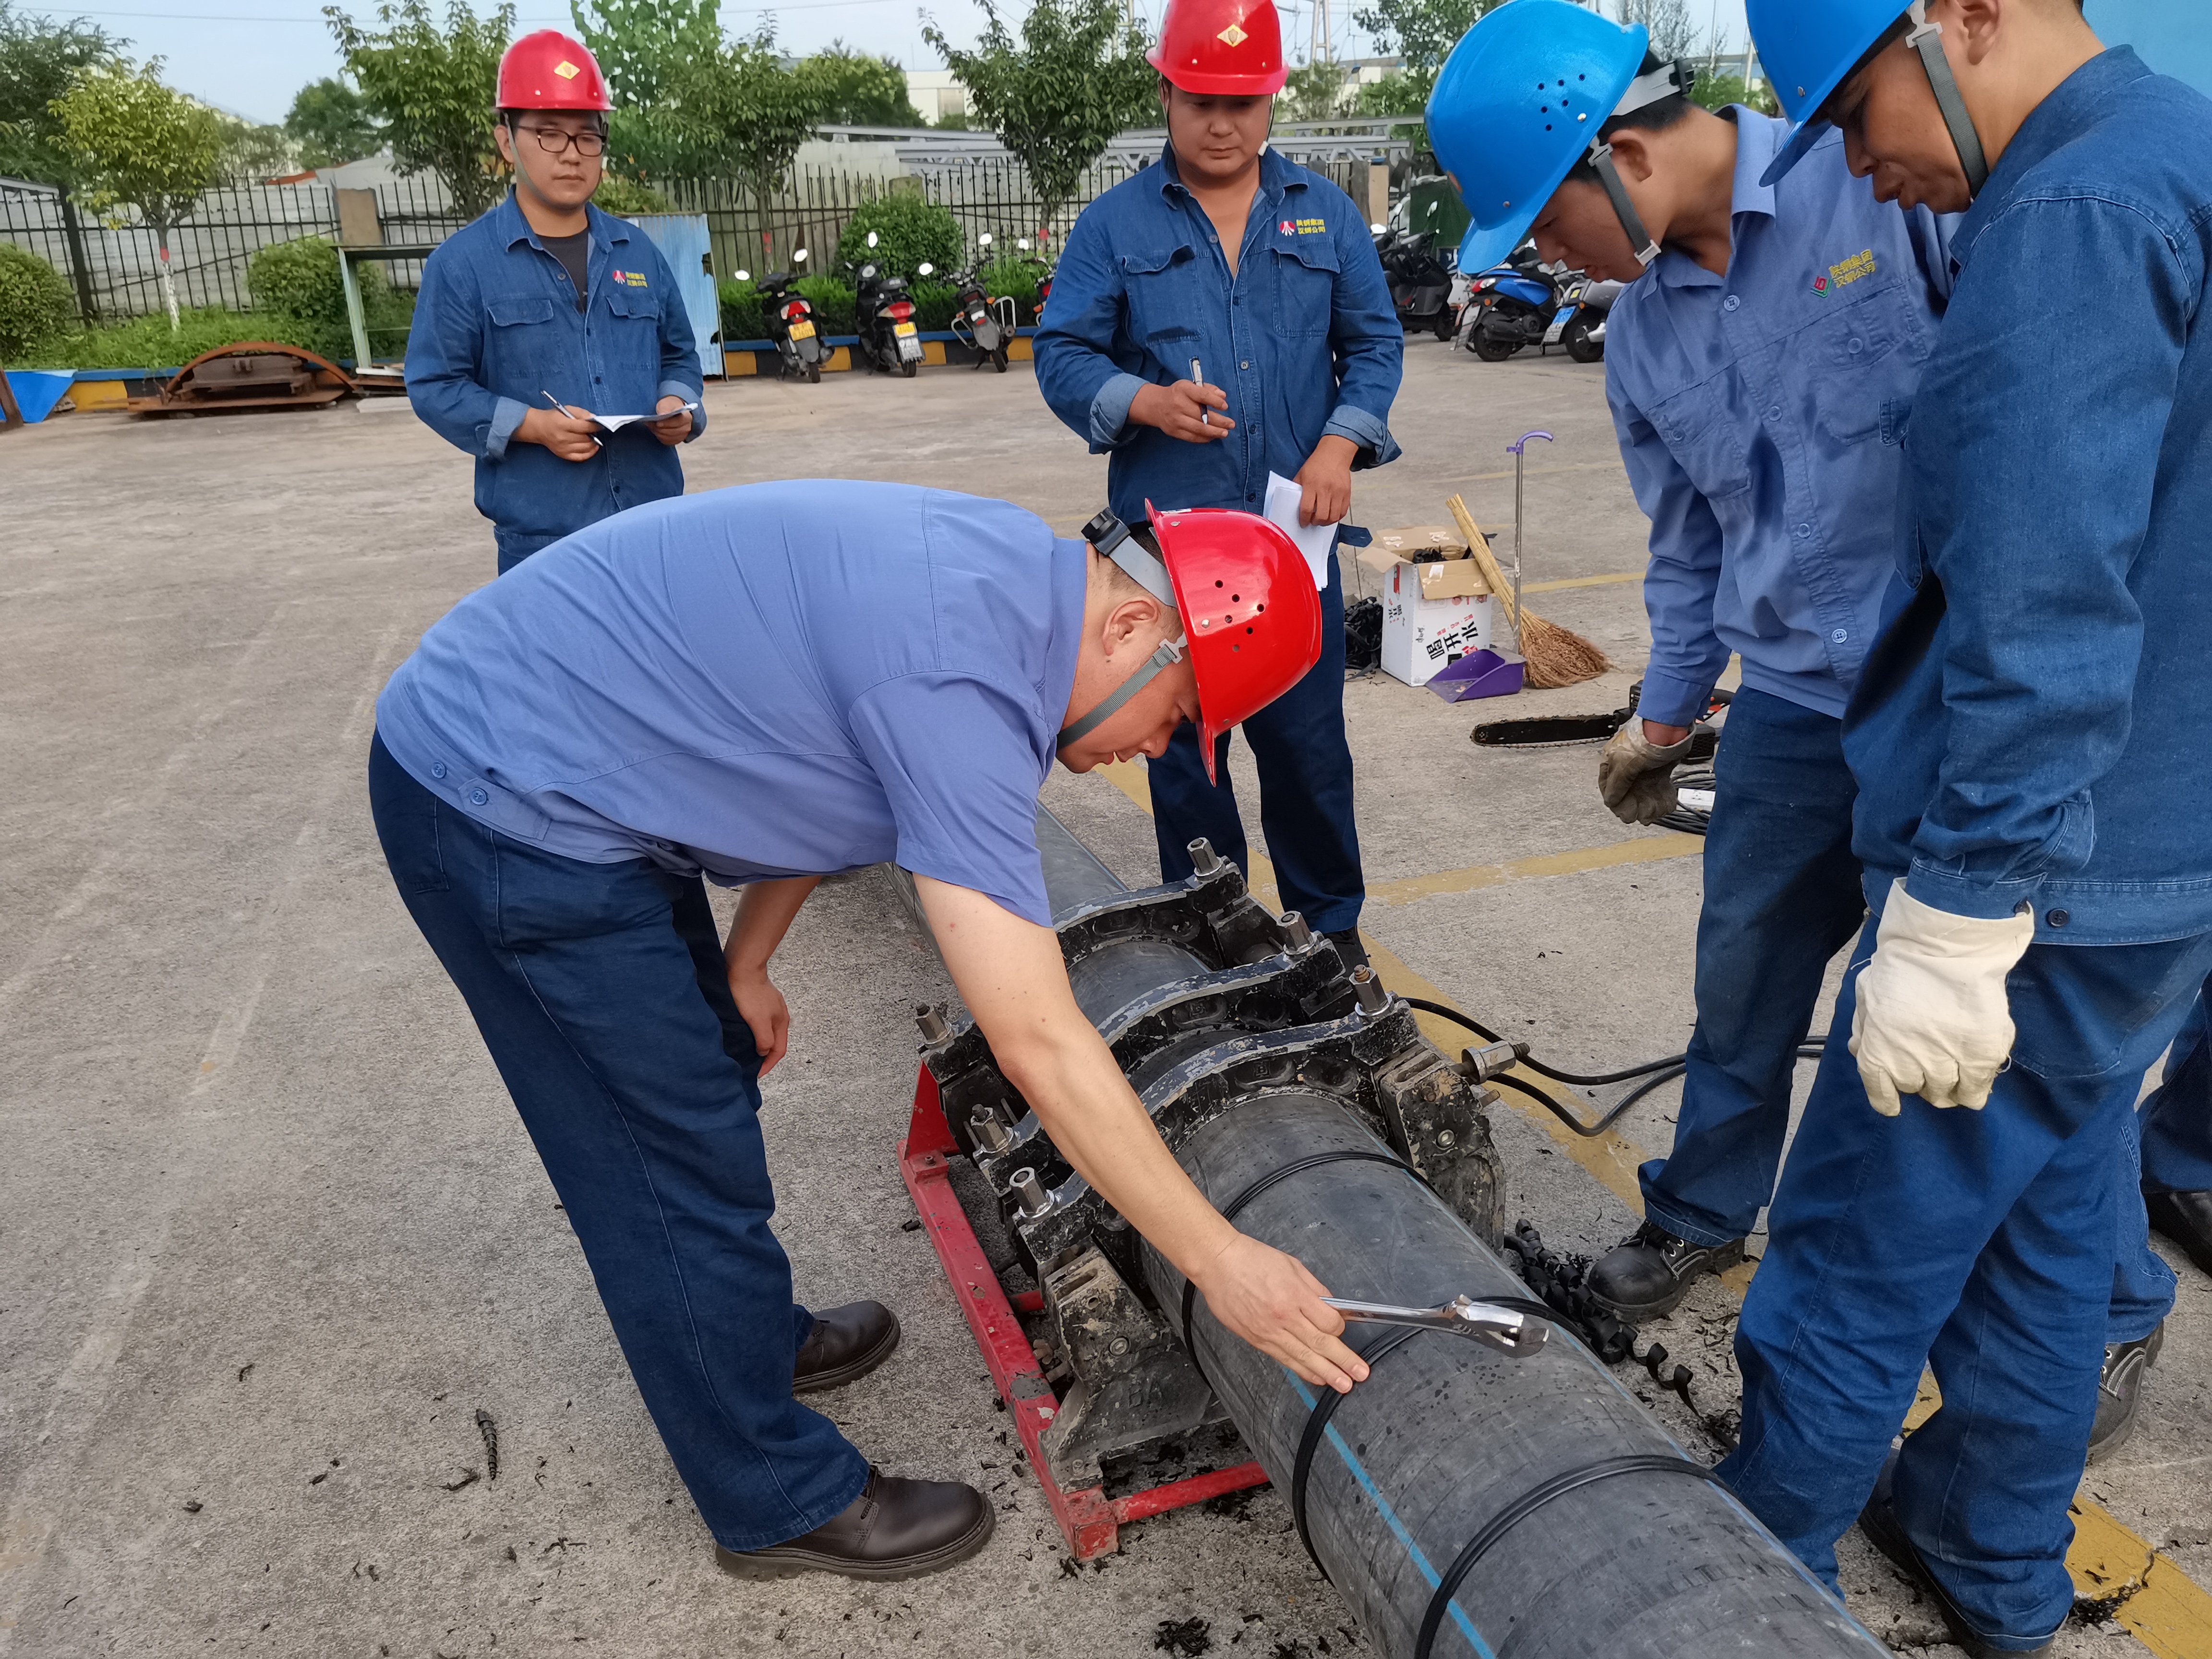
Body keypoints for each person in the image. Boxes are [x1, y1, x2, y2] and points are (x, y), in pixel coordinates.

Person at [366, 480, 1371, 1581]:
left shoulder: (1016, 583)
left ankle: (735, 1338)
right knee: (660, 1155)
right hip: (500, 799)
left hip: (573, 756)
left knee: (702, 1067)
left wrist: (745, 961)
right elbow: (1037, 1038)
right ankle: (771, 1493)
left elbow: (827, 744)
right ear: (1132, 626)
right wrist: (1219, 1258)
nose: (1160, 747)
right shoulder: (961, 678)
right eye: (1176, 716)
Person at [1719, 2, 2212, 1652]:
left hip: (2043, 879)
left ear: (1958, 18)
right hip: (2154, 859)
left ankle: (1743, 1585)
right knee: (2049, 1222)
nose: (1867, 168)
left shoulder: (2067, 213)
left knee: (1857, 1252)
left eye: (1857, 115)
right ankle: (1988, 1552)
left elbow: (2040, 589)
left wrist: (1959, 907)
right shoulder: (2176, 150)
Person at [1427, 0, 1954, 1326]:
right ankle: (1702, 1215)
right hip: (1786, 704)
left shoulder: (1881, 177)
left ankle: (1995, 1282)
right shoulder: (1645, 337)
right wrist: (1658, 725)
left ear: (1622, 153)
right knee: (1744, 979)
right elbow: (1688, 552)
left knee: (1931, 1015)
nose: (1552, 256)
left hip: (1947, 695)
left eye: (1549, 222)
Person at [1034, 0, 1402, 971]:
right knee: (1188, 770)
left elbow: (1373, 346)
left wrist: (1340, 449)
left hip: (1292, 554)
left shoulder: (1323, 212)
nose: (1223, 122)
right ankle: (1215, 949)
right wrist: (1144, 403)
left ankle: (1334, 949)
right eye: (1202, 99)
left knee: (1310, 759)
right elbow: (1062, 353)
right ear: (1166, 91)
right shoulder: (1114, 225)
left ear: (1271, 99)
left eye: (1244, 101)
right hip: (1167, 563)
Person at [405, 30, 703, 574]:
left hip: (654, 523)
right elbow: (434, 385)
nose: (572, 156)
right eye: (548, 135)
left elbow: (679, 356)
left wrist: (676, 406)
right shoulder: (464, 264)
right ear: (506, 141)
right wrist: (532, 426)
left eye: (587, 137)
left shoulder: (638, 254)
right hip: (542, 545)